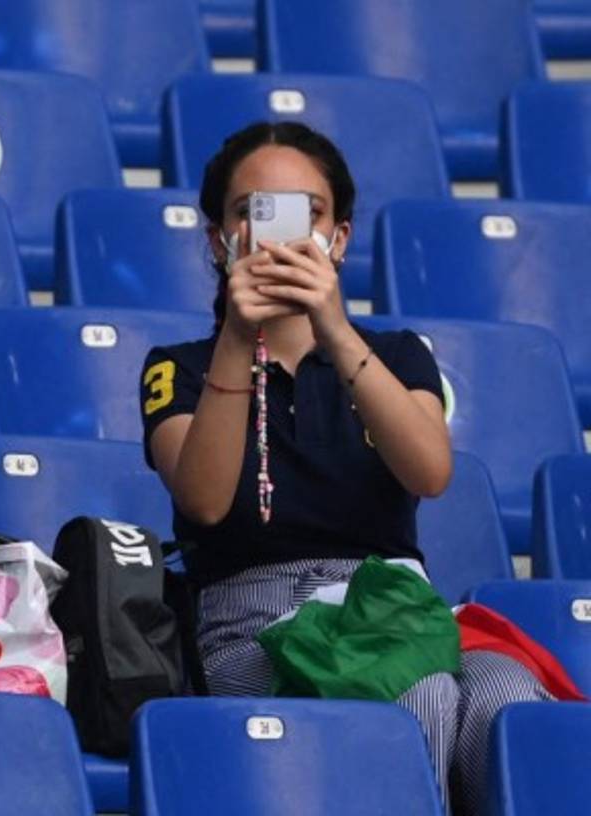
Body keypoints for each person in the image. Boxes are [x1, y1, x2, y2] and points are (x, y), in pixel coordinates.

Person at [139, 121, 553, 814]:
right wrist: (242, 338)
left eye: (307, 213)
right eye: (251, 213)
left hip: (392, 608)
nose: (278, 233)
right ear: (218, 240)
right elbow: (205, 501)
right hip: (251, 623)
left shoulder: (397, 353)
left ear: (338, 236)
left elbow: (430, 473)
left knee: (506, 700)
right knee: (412, 692)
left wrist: (334, 326)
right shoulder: (177, 367)